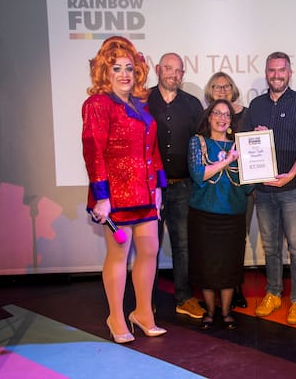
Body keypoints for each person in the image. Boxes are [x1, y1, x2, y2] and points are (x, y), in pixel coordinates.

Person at [81, 36, 166, 343]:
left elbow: (152, 149)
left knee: (150, 251)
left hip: (145, 193)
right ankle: (116, 317)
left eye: (129, 68)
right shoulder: (98, 104)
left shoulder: (140, 106)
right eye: (116, 68)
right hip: (116, 197)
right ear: (105, 72)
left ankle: (143, 313)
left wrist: (158, 186)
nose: (124, 74)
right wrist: (101, 197)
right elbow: (93, 151)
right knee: (118, 255)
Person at [242, 52, 296, 325]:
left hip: (293, 188)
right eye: (272, 70)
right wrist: (254, 136)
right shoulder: (256, 104)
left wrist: (290, 175)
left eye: (281, 70)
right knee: (271, 247)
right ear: (266, 73)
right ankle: (273, 293)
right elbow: (244, 144)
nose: (276, 75)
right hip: (264, 191)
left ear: (289, 72)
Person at [187, 99, 254, 330]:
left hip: (233, 216)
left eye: (227, 114)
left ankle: (226, 313)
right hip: (204, 216)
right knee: (205, 265)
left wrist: (258, 160)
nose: (222, 118)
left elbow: (248, 187)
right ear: (209, 117)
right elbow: (198, 175)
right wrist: (227, 161)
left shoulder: (240, 146)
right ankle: (209, 312)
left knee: (229, 265)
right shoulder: (198, 142)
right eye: (217, 113)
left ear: (231, 120)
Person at [149, 52, 206, 319]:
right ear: (158, 69)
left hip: (183, 186)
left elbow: (202, 142)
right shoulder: (142, 101)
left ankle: (184, 298)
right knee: (149, 246)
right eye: (169, 68)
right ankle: (146, 300)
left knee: (183, 245)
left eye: (179, 70)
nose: (174, 74)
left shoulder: (193, 104)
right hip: (151, 189)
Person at [204, 71, 250, 309]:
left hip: (240, 190)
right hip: (212, 194)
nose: (222, 91)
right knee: (211, 246)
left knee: (237, 241)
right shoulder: (205, 119)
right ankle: (213, 290)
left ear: (233, 89)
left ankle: (235, 288)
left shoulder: (247, 115)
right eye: (216, 87)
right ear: (210, 92)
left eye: (226, 86)